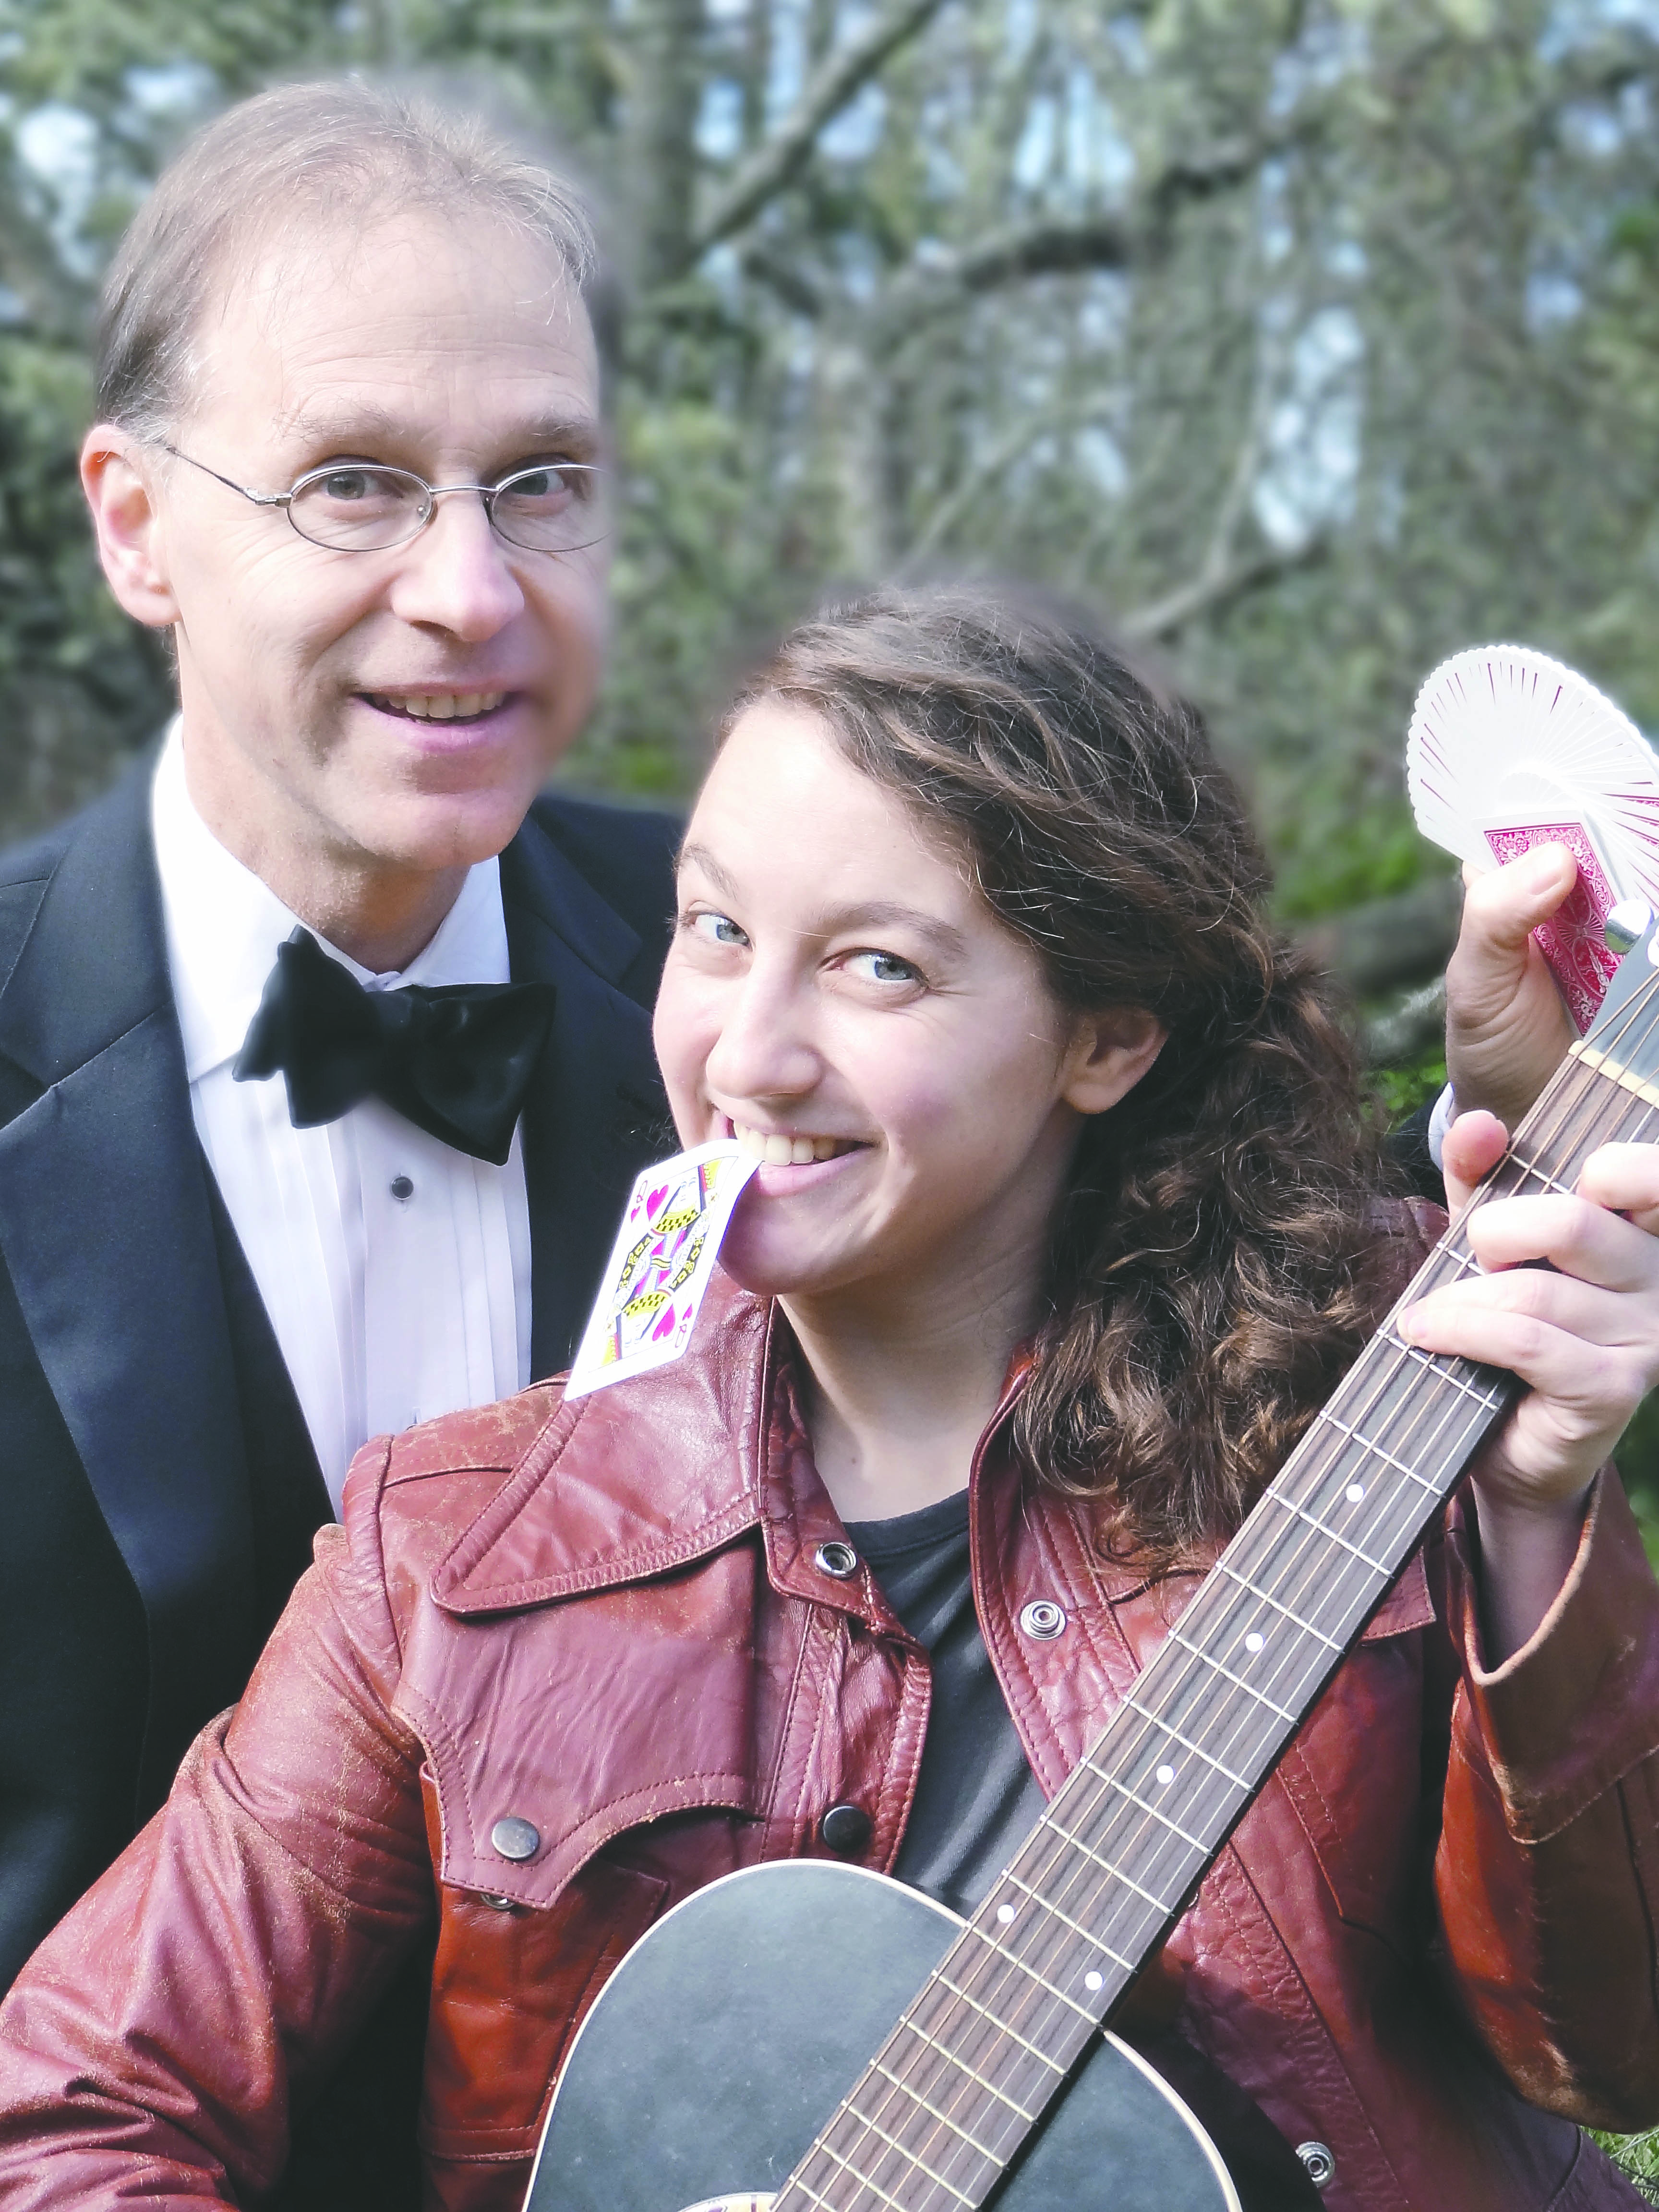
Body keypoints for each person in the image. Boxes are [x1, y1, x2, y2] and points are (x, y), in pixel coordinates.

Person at [1, 585, 1656, 2212]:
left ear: (1107, 1039)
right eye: (716, 931)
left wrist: (1535, 1517)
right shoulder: (449, 1553)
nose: (749, 1058)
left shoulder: (1386, 1385)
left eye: (874, 969)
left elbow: (1622, 2045)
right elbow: (76, 2107)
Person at [0, 81, 681, 2024]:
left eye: (539, 479)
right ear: (137, 528)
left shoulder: (763, 970)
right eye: (354, 482)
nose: (471, 594)